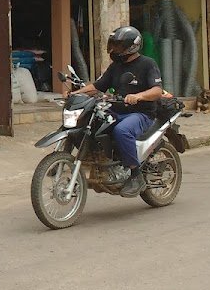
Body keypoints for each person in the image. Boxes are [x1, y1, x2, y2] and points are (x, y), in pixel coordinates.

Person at [69, 25, 164, 197]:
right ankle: (98, 161)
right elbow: (97, 86)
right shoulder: (115, 67)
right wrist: (75, 94)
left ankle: (136, 175)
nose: (114, 50)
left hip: (141, 113)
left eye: (118, 46)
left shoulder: (147, 64)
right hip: (116, 110)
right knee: (89, 123)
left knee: (122, 131)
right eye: (113, 45)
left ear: (131, 47)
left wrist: (138, 96)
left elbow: (157, 91)